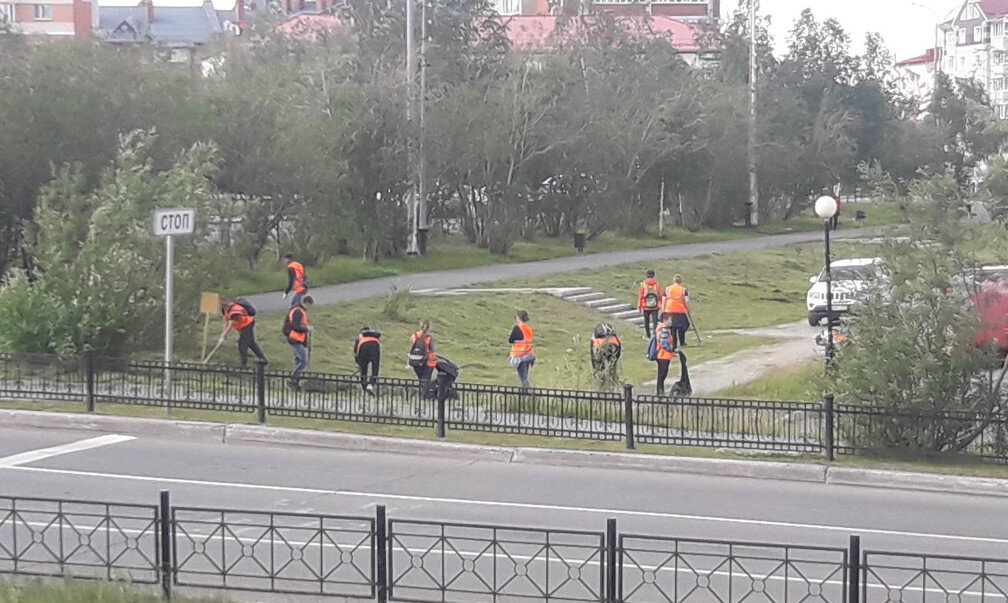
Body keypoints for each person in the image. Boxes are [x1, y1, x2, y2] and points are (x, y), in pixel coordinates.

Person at [219, 298, 267, 369]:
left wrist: (225, 335)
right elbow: (226, 322)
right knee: (251, 343)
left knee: (242, 344)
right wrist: (223, 335)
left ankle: (243, 365)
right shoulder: (225, 310)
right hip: (243, 326)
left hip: (247, 324)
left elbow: (230, 324)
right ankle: (263, 359)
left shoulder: (234, 310)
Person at [283, 295, 314, 390]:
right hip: (295, 339)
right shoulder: (298, 312)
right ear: (306, 303)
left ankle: (295, 383)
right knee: (303, 361)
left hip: (297, 339)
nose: (309, 308)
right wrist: (306, 328)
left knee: (298, 361)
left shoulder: (298, 311)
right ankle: (292, 379)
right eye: (309, 305)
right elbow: (296, 326)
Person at [408, 319, 437, 399]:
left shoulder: (414, 335)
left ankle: (422, 395)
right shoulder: (429, 338)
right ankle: (424, 397)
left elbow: (412, 344)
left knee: (421, 379)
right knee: (426, 379)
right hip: (428, 362)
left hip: (415, 360)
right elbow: (433, 349)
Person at [590, 323, 622, 391]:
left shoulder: (595, 340)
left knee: (601, 372)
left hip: (600, 353)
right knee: (611, 370)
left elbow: (593, 356)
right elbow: (618, 353)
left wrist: (595, 368)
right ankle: (611, 386)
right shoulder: (614, 339)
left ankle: (602, 387)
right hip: (612, 350)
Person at [508, 309, 535, 388]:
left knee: (523, 377)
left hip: (519, 355)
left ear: (519, 317)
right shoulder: (528, 328)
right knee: (525, 375)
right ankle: (527, 392)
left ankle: (526, 393)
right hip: (528, 354)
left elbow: (510, 340)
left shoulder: (517, 327)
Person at [662, 274, 691, 348]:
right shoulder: (683, 289)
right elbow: (686, 300)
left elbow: (664, 299)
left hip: (669, 309)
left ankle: (673, 344)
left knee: (672, 327)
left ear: (673, 280)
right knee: (684, 325)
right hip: (680, 310)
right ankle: (682, 342)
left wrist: (663, 310)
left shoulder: (668, 288)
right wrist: (688, 310)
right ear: (680, 281)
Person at [354, 326, 381, 395]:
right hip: (375, 346)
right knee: (375, 368)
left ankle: (364, 387)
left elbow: (356, 351)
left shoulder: (360, 337)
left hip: (363, 347)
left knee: (363, 371)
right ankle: (371, 385)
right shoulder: (375, 336)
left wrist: (358, 362)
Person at [637, 269, 664, 340]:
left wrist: (639, 306)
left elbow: (640, 295)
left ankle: (648, 335)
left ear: (646, 275)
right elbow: (660, 295)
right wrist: (661, 305)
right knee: (655, 321)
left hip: (645, 306)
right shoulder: (657, 284)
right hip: (655, 306)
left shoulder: (643, 284)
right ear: (653, 275)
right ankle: (656, 335)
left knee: (646, 321)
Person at [654, 314, 677, 396]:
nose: (671, 322)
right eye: (670, 320)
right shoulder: (664, 329)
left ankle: (660, 391)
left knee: (661, 375)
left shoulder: (660, 328)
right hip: (664, 355)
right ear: (665, 320)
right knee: (663, 374)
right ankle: (660, 392)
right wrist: (670, 349)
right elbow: (663, 343)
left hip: (661, 354)